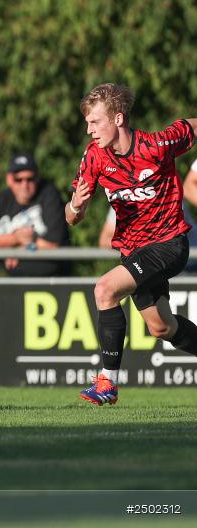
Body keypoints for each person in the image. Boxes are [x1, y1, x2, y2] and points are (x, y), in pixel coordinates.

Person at [67, 83, 197, 406]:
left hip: (169, 245)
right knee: (161, 327)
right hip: (135, 252)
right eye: (88, 123)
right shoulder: (95, 157)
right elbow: (72, 218)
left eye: (95, 122)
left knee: (104, 289)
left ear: (119, 119)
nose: (89, 130)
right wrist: (76, 206)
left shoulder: (156, 145)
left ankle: (107, 383)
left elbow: (191, 126)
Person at [0, 152, 70, 276]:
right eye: (19, 179)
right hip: (11, 282)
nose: (24, 185)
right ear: (9, 179)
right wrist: (15, 239)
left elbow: (53, 244)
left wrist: (21, 249)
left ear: (37, 177)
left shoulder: (50, 195)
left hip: (53, 280)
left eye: (30, 179)